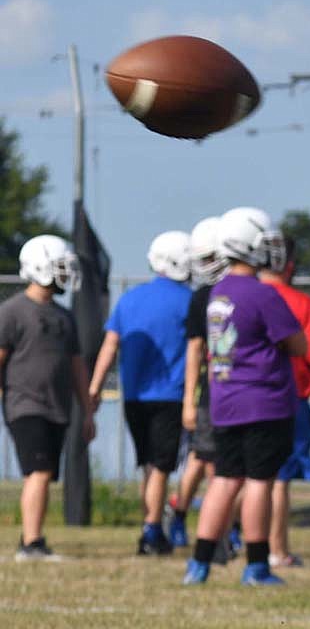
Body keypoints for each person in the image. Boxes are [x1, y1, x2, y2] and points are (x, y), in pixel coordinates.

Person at [183, 207, 306, 586]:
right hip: (262, 401)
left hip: (224, 401)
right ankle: (256, 565)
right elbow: (298, 345)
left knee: (224, 479)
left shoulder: (217, 292)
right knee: (258, 482)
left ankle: (199, 563)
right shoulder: (262, 294)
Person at [89, 230, 192, 556]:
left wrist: (95, 387)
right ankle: (151, 530)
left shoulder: (130, 298)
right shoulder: (188, 300)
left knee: (149, 464)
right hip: (171, 395)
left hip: (133, 396)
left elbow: (110, 345)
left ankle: (150, 525)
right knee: (161, 466)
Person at [0, 236, 95, 561]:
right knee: (38, 473)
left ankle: (30, 537)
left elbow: (77, 365)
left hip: (58, 407)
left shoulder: (64, 316)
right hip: (25, 404)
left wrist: (88, 411)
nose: (64, 275)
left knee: (43, 475)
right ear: (39, 266)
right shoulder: (12, 311)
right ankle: (32, 543)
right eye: (59, 268)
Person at [258, 233, 310, 568]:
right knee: (278, 480)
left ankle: (231, 538)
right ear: (288, 265)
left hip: (240, 396)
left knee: (241, 476)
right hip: (288, 398)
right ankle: (276, 549)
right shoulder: (300, 303)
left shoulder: (238, 297)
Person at [170, 216, 227, 549]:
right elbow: (195, 348)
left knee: (226, 463)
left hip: (237, 388)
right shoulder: (202, 297)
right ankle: (181, 515)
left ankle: (228, 527)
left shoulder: (244, 290)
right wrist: (190, 399)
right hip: (214, 388)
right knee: (202, 458)